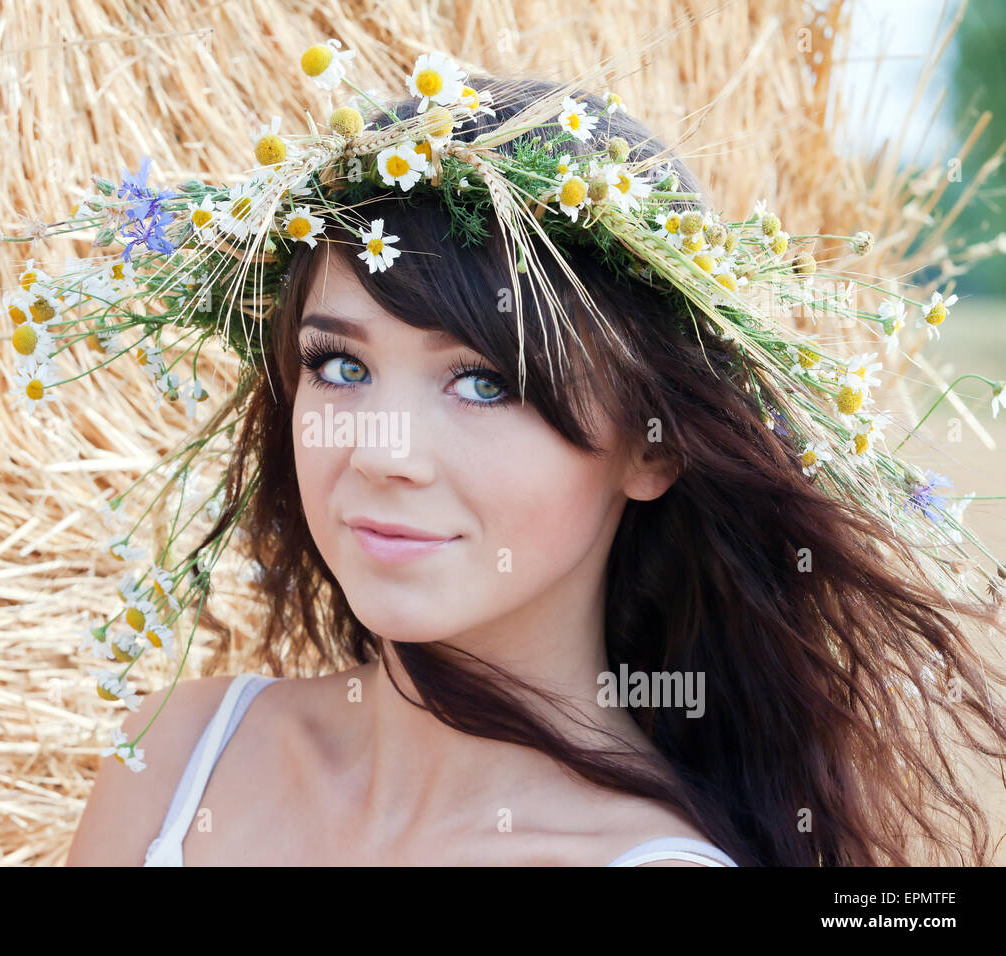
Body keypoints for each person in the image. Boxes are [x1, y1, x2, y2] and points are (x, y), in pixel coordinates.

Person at [60, 69, 1006, 867]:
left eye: (484, 383)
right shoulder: (173, 762)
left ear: (654, 446)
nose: (382, 454)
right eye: (339, 366)